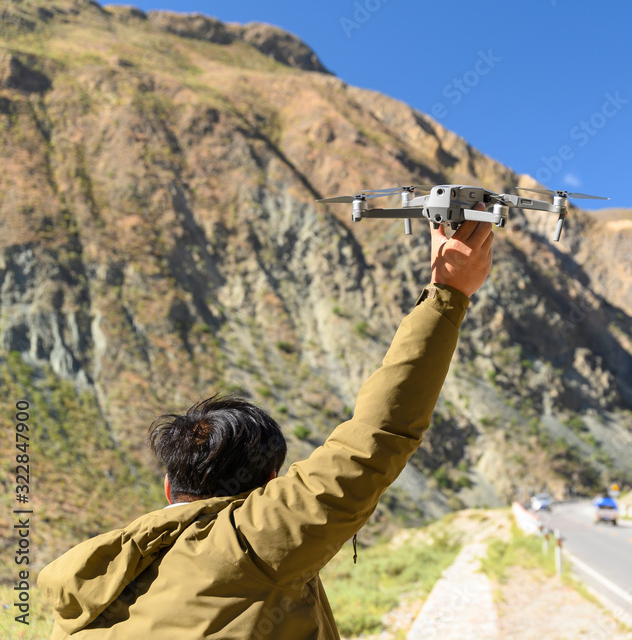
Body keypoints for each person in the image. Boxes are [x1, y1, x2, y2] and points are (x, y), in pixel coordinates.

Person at [38, 208, 494, 639]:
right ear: (270, 482)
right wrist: (448, 293)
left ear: (168, 486)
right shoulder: (250, 543)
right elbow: (375, 437)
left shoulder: (92, 585)